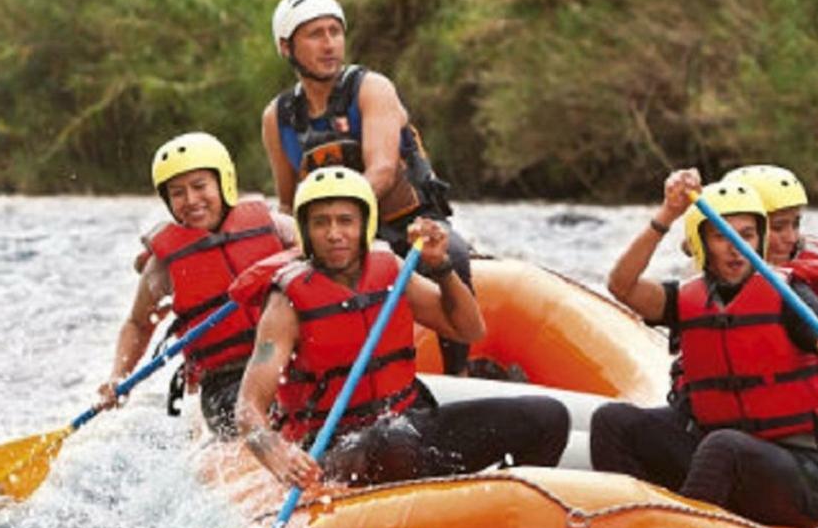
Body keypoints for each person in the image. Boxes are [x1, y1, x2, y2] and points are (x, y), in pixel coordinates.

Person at [589, 170, 818, 528]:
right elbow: (621, 285)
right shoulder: (687, 298)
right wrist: (667, 214)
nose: (735, 247)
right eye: (722, 237)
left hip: (797, 476)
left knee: (723, 446)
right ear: (702, 243)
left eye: (746, 236)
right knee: (612, 422)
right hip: (724, 450)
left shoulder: (791, 298)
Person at [232, 166, 570, 490]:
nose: (335, 234)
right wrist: (281, 458)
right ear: (306, 231)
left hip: (408, 422)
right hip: (334, 448)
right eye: (321, 223)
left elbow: (468, 330)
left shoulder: (391, 269)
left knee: (547, 418)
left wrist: (442, 267)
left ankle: (502, 511)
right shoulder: (285, 304)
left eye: (345, 221)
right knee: (393, 441)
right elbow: (248, 408)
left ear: (364, 224)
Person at [260, 0, 476, 375]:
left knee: (454, 257)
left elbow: (383, 170)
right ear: (286, 47)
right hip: (336, 232)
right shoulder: (278, 118)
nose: (329, 44)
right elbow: (289, 204)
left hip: (407, 225)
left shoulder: (371, 89)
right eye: (315, 34)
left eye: (334, 31)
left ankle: (457, 372)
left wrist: (347, 224)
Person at [97, 132, 296, 438]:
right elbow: (138, 324)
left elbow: (328, 254)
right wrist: (117, 378)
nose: (191, 200)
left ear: (223, 182)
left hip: (293, 364)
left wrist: (283, 261)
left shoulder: (274, 227)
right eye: (177, 193)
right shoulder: (163, 267)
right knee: (250, 413)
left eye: (200, 186)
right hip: (227, 382)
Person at [724, 164, 818, 350]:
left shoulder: (810, 266)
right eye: (778, 227)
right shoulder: (715, 270)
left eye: (796, 224)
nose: (791, 237)